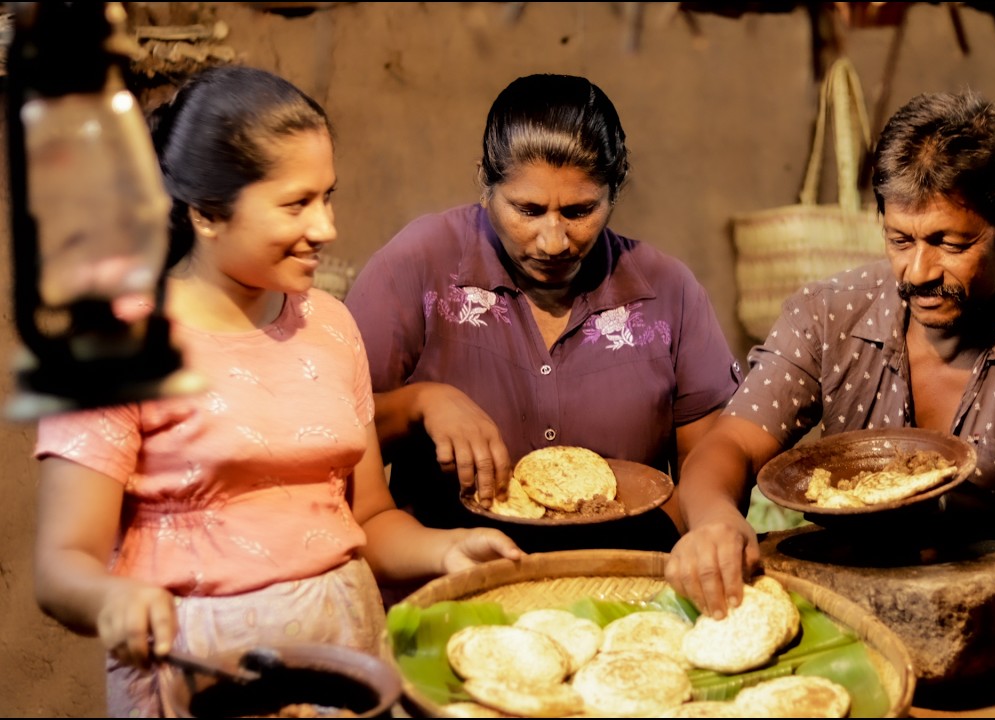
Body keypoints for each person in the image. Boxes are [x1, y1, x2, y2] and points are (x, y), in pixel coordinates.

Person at [30, 65, 524, 718]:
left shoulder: (329, 325)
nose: (326, 228)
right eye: (296, 203)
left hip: (345, 659)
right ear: (207, 212)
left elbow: (367, 520)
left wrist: (446, 549)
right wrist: (112, 600)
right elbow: (61, 565)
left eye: (328, 196)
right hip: (203, 674)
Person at [664, 90, 995, 655]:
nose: (917, 272)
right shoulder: (830, 314)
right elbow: (731, 445)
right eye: (900, 240)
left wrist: (952, 511)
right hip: (864, 628)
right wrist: (714, 516)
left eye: (950, 242)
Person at [344, 73, 740, 554]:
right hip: (452, 579)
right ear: (484, 184)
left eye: (579, 212)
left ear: (615, 192)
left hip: (626, 586)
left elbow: (711, 465)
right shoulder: (417, 268)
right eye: (527, 210)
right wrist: (420, 404)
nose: (553, 241)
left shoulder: (667, 292)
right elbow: (332, 439)